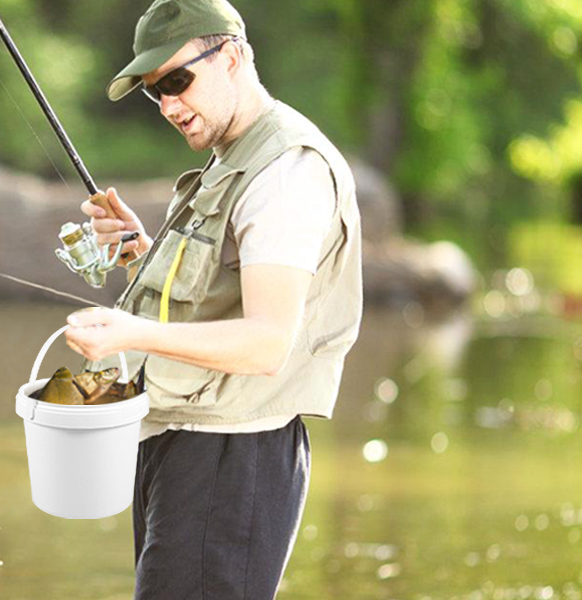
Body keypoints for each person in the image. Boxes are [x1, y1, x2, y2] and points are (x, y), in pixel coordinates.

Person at [63, 0, 363, 597]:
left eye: (177, 81)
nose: (169, 106)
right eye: (155, 92)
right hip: (183, 445)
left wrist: (131, 333)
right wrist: (141, 253)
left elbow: (266, 344)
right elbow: (216, 297)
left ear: (232, 57)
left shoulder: (284, 173)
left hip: (232, 457)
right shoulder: (233, 159)